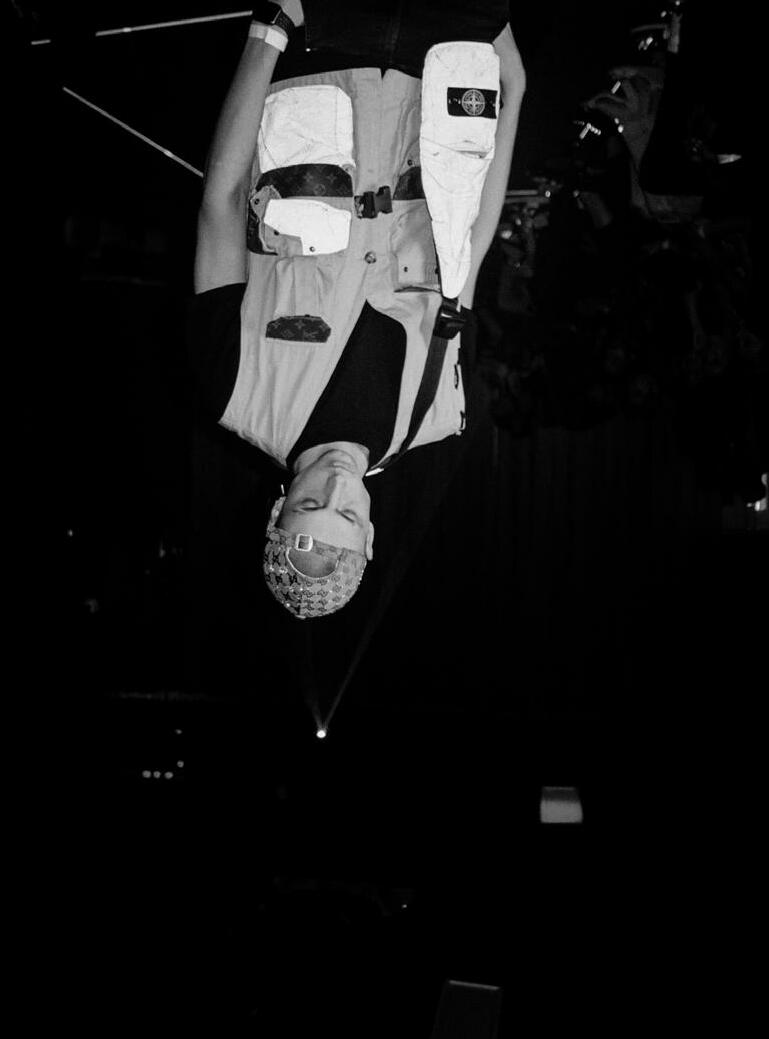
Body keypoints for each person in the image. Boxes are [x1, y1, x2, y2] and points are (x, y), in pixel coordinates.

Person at [189, 0, 525, 618]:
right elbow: (471, 242)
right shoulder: (439, 413)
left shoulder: (233, 393)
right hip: (441, 78)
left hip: (321, 55)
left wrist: (271, 30)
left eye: (310, 504)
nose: (338, 484)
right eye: (347, 513)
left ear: (277, 508)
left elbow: (223, 200)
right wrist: (515, 89)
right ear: (370, 536)